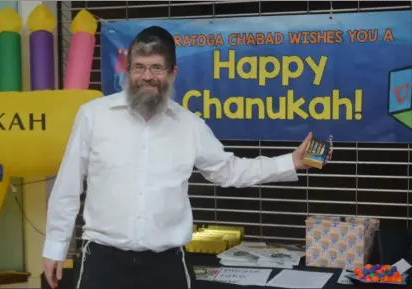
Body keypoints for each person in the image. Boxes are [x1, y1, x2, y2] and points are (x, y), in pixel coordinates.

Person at [42, 26, 333, 289]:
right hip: (102, 264)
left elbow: (229, 171)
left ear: (172, 73)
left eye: (156, 68)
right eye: (139, 68)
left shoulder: (190, 126)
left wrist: (290, 162)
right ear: (127, 71)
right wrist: (55, 247)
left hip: (166, 266)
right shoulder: (93, 116)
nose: (147, 77)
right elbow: (67, 187)